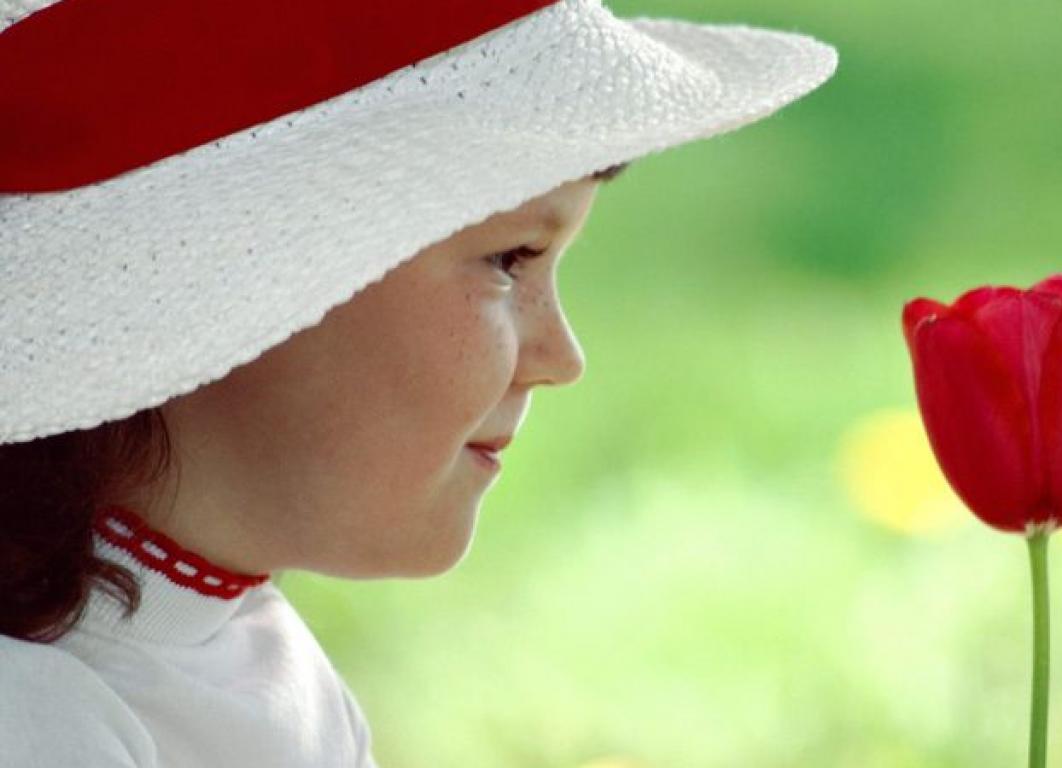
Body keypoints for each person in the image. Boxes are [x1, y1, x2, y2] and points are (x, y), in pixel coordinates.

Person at [0, 0, 838, 765]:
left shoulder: (245, 658)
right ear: (244, 279)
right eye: (510, 259)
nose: (563, 357)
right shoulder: (39, 718)